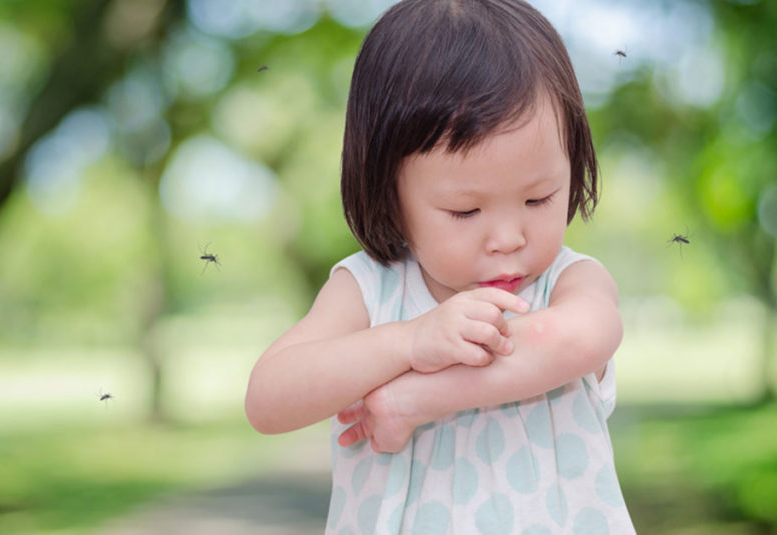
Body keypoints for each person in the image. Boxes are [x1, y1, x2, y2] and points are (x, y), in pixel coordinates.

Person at [244, 0, 637, 533]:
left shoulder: (567, 282)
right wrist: (408, 342)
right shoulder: (369, 292)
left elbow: (583, 339)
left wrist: (417, 398)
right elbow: (268, 400)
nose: (508, 238)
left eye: (539, 198)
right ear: (388, 191)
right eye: (465, 210)